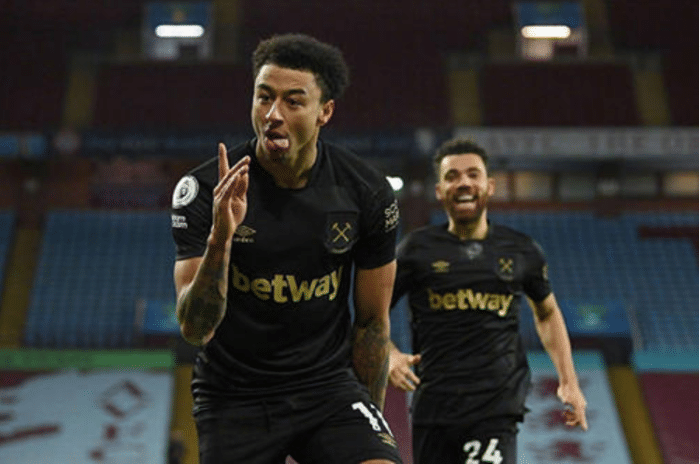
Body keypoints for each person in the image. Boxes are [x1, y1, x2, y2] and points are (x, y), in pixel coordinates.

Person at [170, 33, 402, 464]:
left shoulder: (366, 192)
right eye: (264, 98)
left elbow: (372, 324)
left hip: (328, 389)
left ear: (324, 112)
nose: (273, 115)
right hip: (234, 396)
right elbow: (195, 329)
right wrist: (221, 238)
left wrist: (370, 426)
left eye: (293, 102)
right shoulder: (205, 190)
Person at [388, 139, 587, 464]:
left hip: (495, 407)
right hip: (433, 408)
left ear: (489, 186)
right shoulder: (415, 250)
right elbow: (370, 313)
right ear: (439, 191)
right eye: (452, 176)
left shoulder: (521, 250)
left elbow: (547, 313)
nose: (463, 183)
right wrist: (389, 354)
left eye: (473, 174)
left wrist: (569, 382)